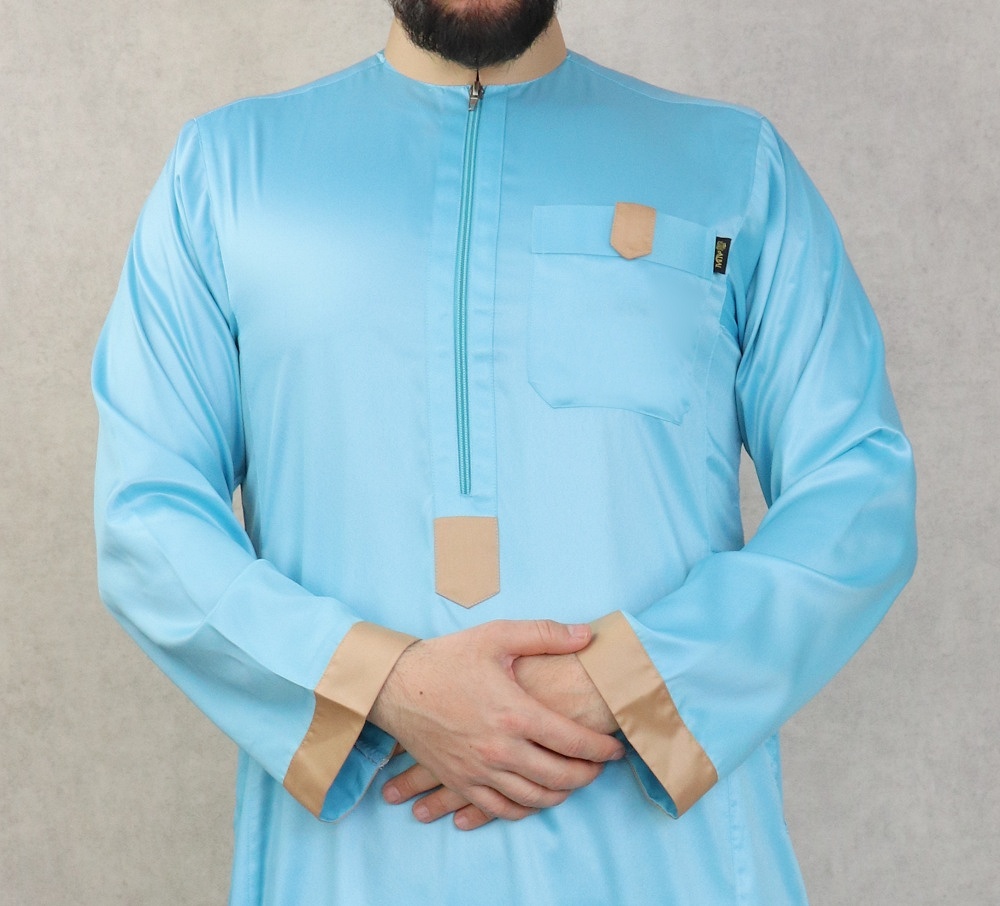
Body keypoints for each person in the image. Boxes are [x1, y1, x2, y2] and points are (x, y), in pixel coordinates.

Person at [92, 1, 917, 902]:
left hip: (668, 871)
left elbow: (858, 491)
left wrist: (629, 682)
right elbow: (147, 517)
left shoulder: (735, 169)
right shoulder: (222, 179)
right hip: (350, 869)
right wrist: (382, 685)